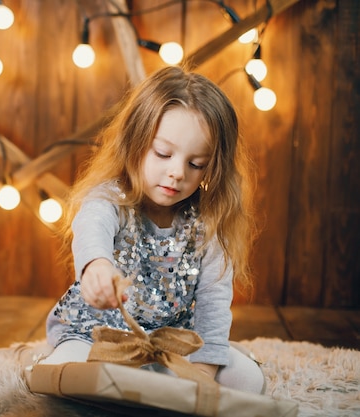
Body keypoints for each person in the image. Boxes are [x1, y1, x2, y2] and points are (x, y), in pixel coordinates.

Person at [41, 66, 265, 394]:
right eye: (163, 153)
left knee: (249, 380)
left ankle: (147, 385)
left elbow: (213, 304)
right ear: (135, 142)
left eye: (196, 163)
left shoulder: (210, 221)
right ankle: (134, 384)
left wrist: (198, 378)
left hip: (170, 342)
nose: (176, 172)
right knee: (65, 373)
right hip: (99, 335)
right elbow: (92, 226)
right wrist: (96, 266)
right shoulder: (110, 198)